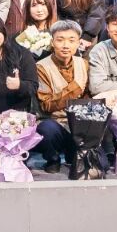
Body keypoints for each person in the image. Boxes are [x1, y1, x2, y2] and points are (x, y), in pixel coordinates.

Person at [35, 19, 88, 173]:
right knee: (45, 128)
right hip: (56, 123)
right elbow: (46, 104)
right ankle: (53, 159)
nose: (66, 45)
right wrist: (73, 89)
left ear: (78, 43)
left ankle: (75, 155)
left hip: (80, 124)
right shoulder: (41, 67)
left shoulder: (84, 63)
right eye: (60, 40)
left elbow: (88, 96)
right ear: (52, 42)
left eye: (71, 40)